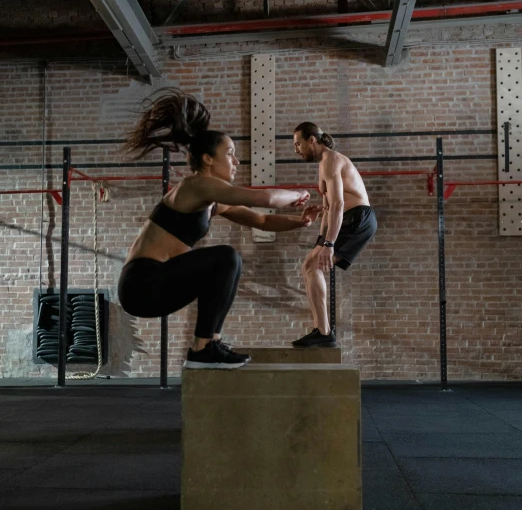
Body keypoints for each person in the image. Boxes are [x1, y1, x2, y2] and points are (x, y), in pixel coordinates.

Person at [118, 88, 322, 370]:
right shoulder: (196, 185)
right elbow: (263, 198)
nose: (236, 162)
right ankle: (202, 348)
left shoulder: (210, 200)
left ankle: (210, 342)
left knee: (229, 263)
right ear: (207, 159)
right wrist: (298, 193)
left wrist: (300, 221)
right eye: (230, 154)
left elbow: (261, 220)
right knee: (226, 258)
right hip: (142, 284)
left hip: (159, 283)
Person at [291, 122, 377, 348]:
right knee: (309, 264)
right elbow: (328, 209)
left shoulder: (332, 161)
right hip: (348, 217)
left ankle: (324, 332)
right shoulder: (323, 165)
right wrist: (321, 241)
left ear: (312, 140)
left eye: (298, 144)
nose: (296, 149)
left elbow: (339, 204)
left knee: (313, 266)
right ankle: (321, 331)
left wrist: (328, 244)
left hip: (357, 217)